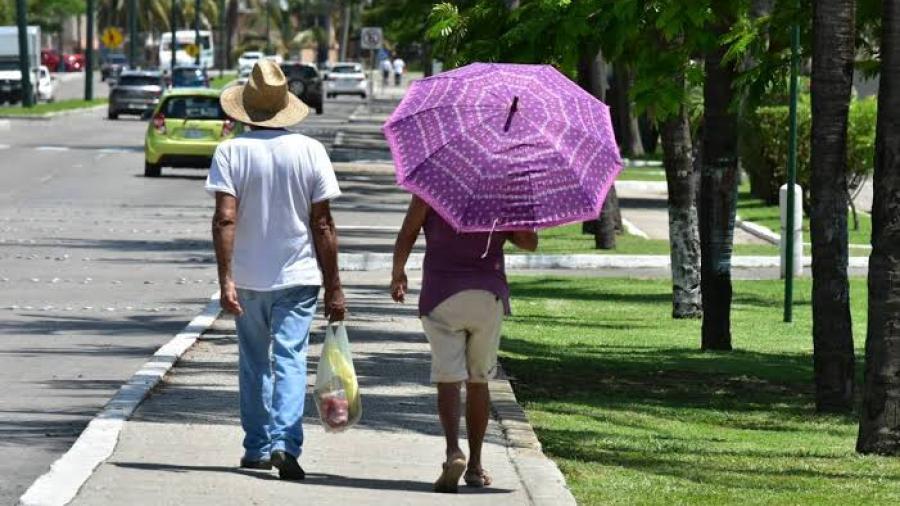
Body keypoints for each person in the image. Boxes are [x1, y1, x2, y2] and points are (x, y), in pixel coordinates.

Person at [206, 59, 346, 481]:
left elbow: (224, 219)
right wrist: (335, 286)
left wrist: (225, 278)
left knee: (253, 364)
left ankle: (256, 447)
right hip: (299, 276)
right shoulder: (310, 151)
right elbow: (323, 224)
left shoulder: (230, 151)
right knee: (290, 359)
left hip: (248, 278)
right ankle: (285, 444)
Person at [391, 196, 538, 493]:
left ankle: (452, 452)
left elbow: (408, 231)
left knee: (448, 377)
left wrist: (398, 272)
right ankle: (475, 466)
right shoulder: (505, 191)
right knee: (479, 381)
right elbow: (529, 242)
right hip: (487, 295)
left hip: (441, 295)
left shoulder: (431, 188)